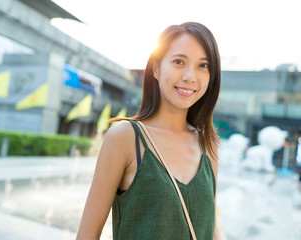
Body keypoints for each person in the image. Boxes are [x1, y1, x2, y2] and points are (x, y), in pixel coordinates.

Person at [77, 22, 221, 240]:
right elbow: (87, 235)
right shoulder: (126, 136)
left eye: (203, 65)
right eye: (179, 62)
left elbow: (211, 227)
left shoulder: (207, 145)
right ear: (156, 68)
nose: (190, 76)